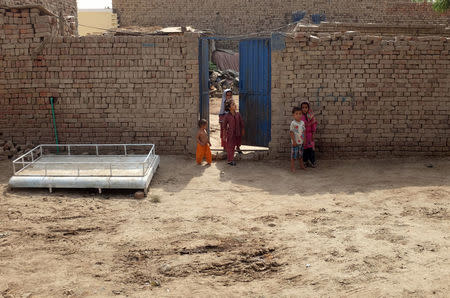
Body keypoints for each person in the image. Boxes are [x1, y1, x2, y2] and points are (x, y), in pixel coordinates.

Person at [223, 100, 244, 166]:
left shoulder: (238, 114)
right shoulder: (227, 116)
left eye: (234, 104)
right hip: (231, 134)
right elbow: (224, 126)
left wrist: (243, 130)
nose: (235, 105)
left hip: (238, 132)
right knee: (231, 147)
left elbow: (241, 123)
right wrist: (224, 135)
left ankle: (238, 148)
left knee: (238, 142)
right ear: (229, 108)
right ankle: (230, 160)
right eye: (233, 104)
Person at [300, 101, 318, 167]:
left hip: (310, 135)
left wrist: (313, 134)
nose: (304, 109)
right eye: (303, 107)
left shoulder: (311, 116)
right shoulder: (300, 116)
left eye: (306, 107)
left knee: (311, 149)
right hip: (303, 136)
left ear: (308, 108)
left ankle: (312, 161)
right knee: (304, 149)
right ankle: (305, 161)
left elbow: (313, 125)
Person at [290, 106, 306, 172]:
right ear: (293, 115)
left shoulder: (302, 123)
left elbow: (304, 131)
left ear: (302, 115)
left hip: (301, 142)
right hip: (295, 143)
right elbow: (291, 132)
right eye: (296, 114)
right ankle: (292, 167)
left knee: (301, 155)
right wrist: (293, 141)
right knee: (294, 156)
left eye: (300, 113)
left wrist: (304, 139)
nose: (298, 115)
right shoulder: (293, 123)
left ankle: (301, 165)